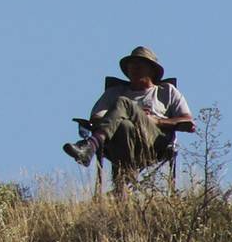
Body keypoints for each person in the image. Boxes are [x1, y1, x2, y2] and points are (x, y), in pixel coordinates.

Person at [64, 46, 195, 175]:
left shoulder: (167, 91)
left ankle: (91, 145)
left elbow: (188, 122)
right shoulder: (114, 92)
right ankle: (123, 184)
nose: (134, 68)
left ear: (152, 70)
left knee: (124, 102)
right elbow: (96, 118)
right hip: (119, 141)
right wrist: (121, 118)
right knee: (124, 125)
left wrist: (157, 121)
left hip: (154, 141)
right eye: (131, 66)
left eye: (139, 65)